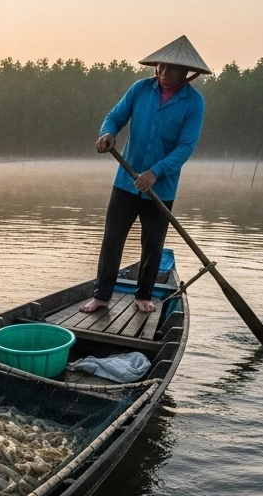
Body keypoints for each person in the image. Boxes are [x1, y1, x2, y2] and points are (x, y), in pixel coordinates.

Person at [80, 36, 210, 315]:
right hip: (126, 182)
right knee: (112, 239)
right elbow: (115, 117)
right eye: (161, 67)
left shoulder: (194, 103)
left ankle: (144, 294)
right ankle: (101, 295)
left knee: (153, 244)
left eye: (171, 70)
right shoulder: (140, 89)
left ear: (187, 74)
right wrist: (107, 133)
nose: (163, 74)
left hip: (161, 189)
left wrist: (155, 172)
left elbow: (186, 146)